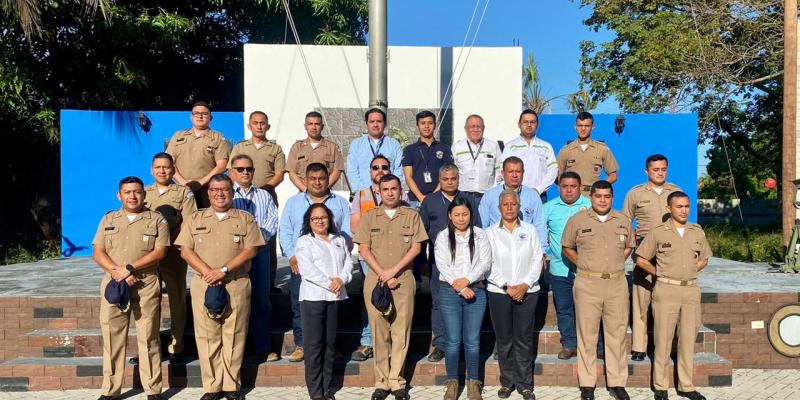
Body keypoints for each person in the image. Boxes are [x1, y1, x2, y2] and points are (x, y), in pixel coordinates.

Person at [175, 174, 265, 400]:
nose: (219, 193)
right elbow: (185, 250)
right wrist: (208, 271)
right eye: (214, 190)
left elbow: (251, 250)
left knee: (234, 334)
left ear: (232, 192)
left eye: (224, 189)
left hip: (235, 282)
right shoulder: (195, 218)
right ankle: (212, 386)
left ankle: (232, 386)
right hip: (203, 283)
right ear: (208, 193)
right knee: (207, 336)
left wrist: (222, 270)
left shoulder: (245, 219)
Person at [92, 176, 169, 400]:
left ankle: (153, 390)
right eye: (127, 192)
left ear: (144, 194)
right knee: (112, 337)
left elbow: (160, 251)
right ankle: (111, 390)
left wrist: (129, 268)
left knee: (149, 337)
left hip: (145, 283)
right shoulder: (108, 219)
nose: (132, 196)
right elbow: (98, 252)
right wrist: (119, 272)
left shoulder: (156, 220)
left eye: (137, 192)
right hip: (114, 285)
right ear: (119, 195)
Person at [353, 174, 428, 400]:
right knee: (379, 332)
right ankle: (381, 382)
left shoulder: (412, 215)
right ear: (379, 191)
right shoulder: (369, 217)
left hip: (403, 280)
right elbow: (363, 250)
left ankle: (397, 382)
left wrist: (393, 272)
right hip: (376, 280)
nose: (390, 193)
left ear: (400, 190)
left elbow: (416, 248)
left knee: (400, 332)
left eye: (394, 188)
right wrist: (384, 274)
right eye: (385, 189)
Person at [561, 180, 635, 400]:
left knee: (617, 335)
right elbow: (566, 247)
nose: (603, 200)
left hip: (616, 283)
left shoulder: (623, 220)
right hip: (587, 284)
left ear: (612, 197)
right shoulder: (577, 220)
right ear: (591, 197)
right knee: (587, 336)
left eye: (607, 196)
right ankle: (587, 384)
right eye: (598, 196)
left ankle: (617, 383)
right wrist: (583, 263)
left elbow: (630, 245)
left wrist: (613, 263)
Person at [635, 192, 711, 400]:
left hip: (690, 291)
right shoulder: (659, 232)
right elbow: (641, 259)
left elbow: (705, 258)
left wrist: (691, 270)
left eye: (687, 206)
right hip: (666, 290)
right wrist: (659, 273)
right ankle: (661, 386)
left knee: (687, 340)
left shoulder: (696, 232)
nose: (684, 210)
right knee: (663, 340)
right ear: (669, 209)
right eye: (679, 206)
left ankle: (686, 386)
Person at [280, 163, 351, 363]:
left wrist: (342, 257)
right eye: (313, 178)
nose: (317, 182)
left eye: (321, 178)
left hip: (332, 266)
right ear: (305, 180)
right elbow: (285, 230)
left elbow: (347, 232)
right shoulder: (294, 202)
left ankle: (330, 346)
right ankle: (302, 344)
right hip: (301, 264)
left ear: (328, 179)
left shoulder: (340, 203)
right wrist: (292, 255)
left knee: (332, 308)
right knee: (299, 304)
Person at [419, 164, 482, 363]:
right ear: (440, 179)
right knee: (439, 303)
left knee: (466, 303)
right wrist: (423, 261)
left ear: (458, 179)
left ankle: (462, 345)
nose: (449, 182)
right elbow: (422, 234)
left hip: (467, 265)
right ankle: (440, 344)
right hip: (440, 264)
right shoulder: (429, 201)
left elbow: (477, 228)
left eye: (453, 178)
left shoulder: (468, 199)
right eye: (445, 179)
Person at [485, 189, 544, 400]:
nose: (509, 208)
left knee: (524, 339)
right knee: (504, 339)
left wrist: (525, 285)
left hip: (527, 293)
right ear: (499, 208)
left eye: (513, 204)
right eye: (505, 204)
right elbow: (488, 263)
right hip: (499, 293)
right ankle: (507, 383)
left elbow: (538, 259)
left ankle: (525, 384)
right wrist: (507, 286)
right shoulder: (490, 233)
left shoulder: (530, 230)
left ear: (519, 207)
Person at [622, 154, 682, 362]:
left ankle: (668, 347)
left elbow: (682, 222)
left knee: (668, 302)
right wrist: (631, 248)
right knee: (642, 301)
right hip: (644, 252)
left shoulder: (676, 192)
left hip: (669, 253)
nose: (660, 173)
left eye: (663, 169)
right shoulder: (635, 193)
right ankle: (639, 347)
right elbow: (625, 222)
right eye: (655, 169)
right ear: (647, 171)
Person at [349, 155, 409, 362]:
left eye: (385, 167)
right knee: (373, 301)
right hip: (371, 260)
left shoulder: (402, 195)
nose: (380, 170)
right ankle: (368, 342)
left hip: (397, 260)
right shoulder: (362, 194)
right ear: (370, 171)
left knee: (396, 303)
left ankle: (391, 343)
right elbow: (356, 227)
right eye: (376, 167)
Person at [434, 198, 491, 400]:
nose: (461, 218)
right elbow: (442, 264)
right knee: (452, 341)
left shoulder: (480, 235)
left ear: (471, 215)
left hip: (475, 291)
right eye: (457, 214)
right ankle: (452, 382)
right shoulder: (442, 237)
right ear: (450, 215)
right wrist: (459, 286)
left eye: (465, 214)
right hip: (450, 292)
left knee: (473, 341)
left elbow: (485, 263)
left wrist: (467, 281)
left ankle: (473, 382)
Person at [143, 153, 197, 364]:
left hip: (173, 253)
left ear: (174, 170)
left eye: (166, 167)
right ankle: (149, 346)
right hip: (148, 255)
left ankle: (177, 346)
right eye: (158, 167)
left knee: (176, 300)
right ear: (152, 169)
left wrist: (168, 241)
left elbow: (188, 222)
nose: (162, 171)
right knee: (148, 301)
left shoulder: (183, 193)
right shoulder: (144, 192)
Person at [295, 203, 353, 400]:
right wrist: (331, 283)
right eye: (315, 218)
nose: (320, 221)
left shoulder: (338, 239)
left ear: (329, 219)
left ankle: (327, 388)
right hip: (313, 298)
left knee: (329, 344)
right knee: (314, 345)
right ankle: (315, 391)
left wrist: (342, 280)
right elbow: (307, 269)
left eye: (323, 217)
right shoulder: (304, 241)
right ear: (309, 222)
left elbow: (348, 262)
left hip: (334, 297)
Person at [229, 154, 279, 362]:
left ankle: (262, 346)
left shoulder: (264, 196)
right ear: (232, 172)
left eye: (249, 169)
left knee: (261, 300)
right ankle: (237, 349)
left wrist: (255, 242)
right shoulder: (226, 195)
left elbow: (271, 221)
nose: (245, 172)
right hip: (234, 255)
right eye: (240, 169)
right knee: (236, 301)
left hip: (259, 252)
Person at [229, 110, 286, 294]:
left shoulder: (275, 149)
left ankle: (268, 282)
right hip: (241, 196)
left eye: (263, 123)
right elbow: (232, 170)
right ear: (250, 126)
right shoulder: (240, 147)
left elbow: (279, 174)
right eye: (256, 123)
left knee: (267, 239)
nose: (259, 126)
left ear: (267, 126)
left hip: (265, 196)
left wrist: (264, 190)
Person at [543, 171, 591, 360]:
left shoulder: (589, 206)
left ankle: (592, 345)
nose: (569, 190)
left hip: (586, 269)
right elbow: (539, 233)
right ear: (559, 187)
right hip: (559, 268)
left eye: (573, 186)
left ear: (580, 187)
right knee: (564, 309)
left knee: (588, 309)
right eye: (565, 186)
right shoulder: (549, 208)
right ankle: (569, 344)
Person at [165, 101, 231, 208]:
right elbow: (168, 162)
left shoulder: (218, 138)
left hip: (206, 190)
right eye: (196, 113)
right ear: (191, 117)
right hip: (180, 189)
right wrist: (183, 183)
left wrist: (200, 183)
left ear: (210, 117)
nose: (200, 116)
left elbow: (222, 165)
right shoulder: (178, 135)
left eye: (204, 114)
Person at [478, 156, 547, 255]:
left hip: (525, 250)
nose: (514, 175)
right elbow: (482, 226)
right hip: (497, 250)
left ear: (523, 173)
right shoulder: (489, 195)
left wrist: (542, 252)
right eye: (510, 172)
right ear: (503, 173)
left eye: (518, 172)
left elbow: (540, 225)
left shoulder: (533, 196)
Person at [556, 111, 619, 197]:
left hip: (593, 197)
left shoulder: (602, 149)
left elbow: (613, 176)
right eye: (580, 125)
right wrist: (567, 190)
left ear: (592, 127)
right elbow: (558, 176)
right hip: (572, 198)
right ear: (575, 127)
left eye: (586, 126)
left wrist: (599, 188)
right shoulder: (565, 150)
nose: (583, 129)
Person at [501, 109, 558, 202]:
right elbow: (503, 171)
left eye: (532, 122)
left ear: (537, 125)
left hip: (539, 196)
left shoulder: (546, 146)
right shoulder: (510, 146)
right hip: (515, 196)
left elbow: (553, 170)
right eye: (525, 122)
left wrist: (538, 189)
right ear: (519, 124)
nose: (529, 125)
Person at [402, 110, 454, 205]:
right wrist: (421, 197)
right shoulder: (409, 150)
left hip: (439, 199)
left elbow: (447, 175)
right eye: (423, 123)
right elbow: (408, 176)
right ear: (417, 126)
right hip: (415, 200)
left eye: (430, 123)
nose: (426, 126)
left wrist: (433, 196)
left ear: (435, 125)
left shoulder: (444, 149)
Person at [347, 108, 404, 191]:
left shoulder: (394, 145)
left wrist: (392, 190)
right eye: (372, 121)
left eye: (379, 121)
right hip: (364, 195)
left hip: (389, 195)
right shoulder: (356, 145)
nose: (375, 125)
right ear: (366, 124)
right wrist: (363, 192)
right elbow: (352, 171)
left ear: (385, 124)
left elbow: (399, 171)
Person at [286, 111, 345, 191]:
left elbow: (337, 171)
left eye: (317, 124)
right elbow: (291, 172)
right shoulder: (297, 147)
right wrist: (305, 190)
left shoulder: (332, 147)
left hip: (325, 194)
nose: (314, 127)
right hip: (303, 194)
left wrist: (324, 189)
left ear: (322, 126)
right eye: (310, 124)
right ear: (305, 126)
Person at [452, 114, 502, 201]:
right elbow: (452, 172)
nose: (475, 129)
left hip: (487, 196)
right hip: (463, 195)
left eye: (479, 126)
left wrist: (495, 191)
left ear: (483, 128)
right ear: (465, 128)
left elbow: (499, 171)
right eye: (472, 126)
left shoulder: (493, 146)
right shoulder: (457, 147)